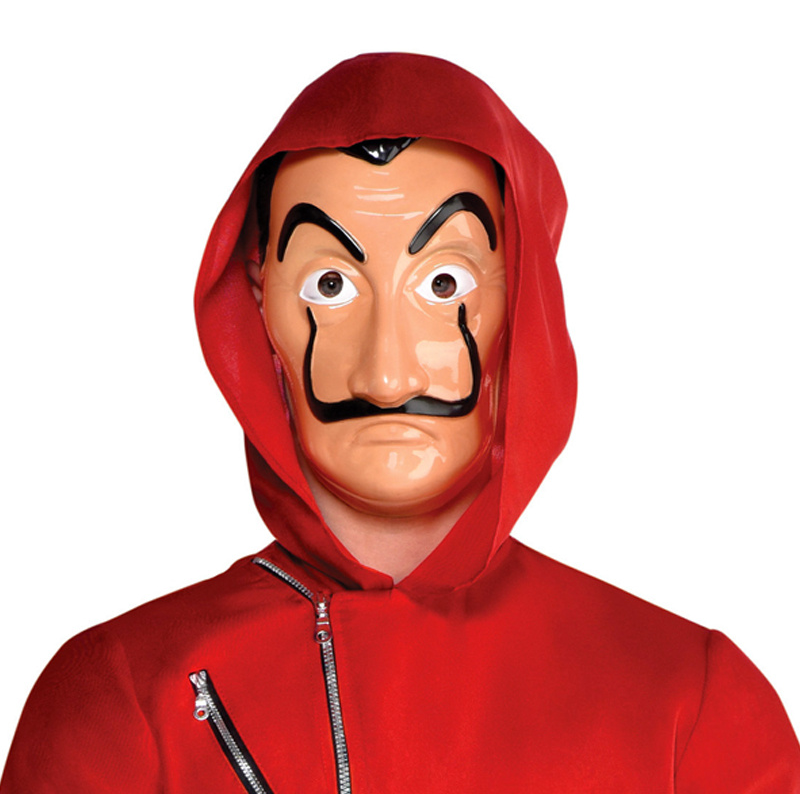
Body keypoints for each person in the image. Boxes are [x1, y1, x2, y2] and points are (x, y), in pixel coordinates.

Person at [2, 52, 798, 793]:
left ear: (524, 295)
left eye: (445, 283)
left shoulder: (692, 706)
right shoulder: (123, 702)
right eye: (330, 285)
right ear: (256, 296)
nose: (387, 374)